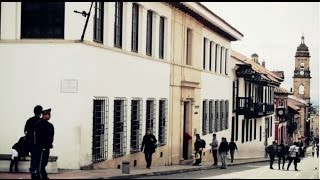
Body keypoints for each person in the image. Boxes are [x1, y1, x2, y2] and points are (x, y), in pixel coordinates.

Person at [32, 108, 54, 179]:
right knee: (40, 163)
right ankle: (41, 176)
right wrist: (41, 146)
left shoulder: (49, 125)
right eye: (49, 114)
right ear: (44, 115)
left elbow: (51, 136)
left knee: (44, 162)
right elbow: (38, 136)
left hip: (47, 147)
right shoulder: (39, 124)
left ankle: (42, 176)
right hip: (41, 147)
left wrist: (49, 145)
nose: (50, 116)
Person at [24, 105, 43, 176]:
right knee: (39, 158)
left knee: (33, 157)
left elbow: (25, 131)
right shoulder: (41, 121)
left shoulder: (29, 120)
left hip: (31, 143)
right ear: (41, 113)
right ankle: (37, 171)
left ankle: (33, 170)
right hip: (39, 143)